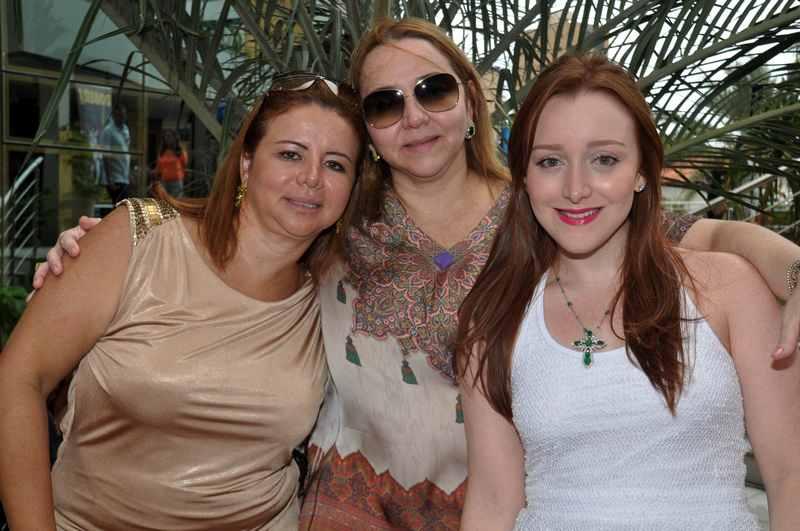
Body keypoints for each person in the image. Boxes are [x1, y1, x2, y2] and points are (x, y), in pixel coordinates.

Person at [32, 18, 800, 530]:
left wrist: (793, 268)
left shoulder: (545, 209)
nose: (415, 115)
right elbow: (230, 242)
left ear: (469, 101)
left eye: (433, 90)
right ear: (368, 132)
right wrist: (97, 251)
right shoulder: (337, 223)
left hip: (505, 506)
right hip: (350, 509)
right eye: (385, 103)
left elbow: (707, 237)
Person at [0, 75, 366, 531]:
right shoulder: (140, 239)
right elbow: (18, 378)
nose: (311, 178)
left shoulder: (335, 300)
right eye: (291, 154)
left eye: (335, 165)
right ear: (247, 163)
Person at [456, 54, 800, 530]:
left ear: (641, 170)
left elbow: (789, 473)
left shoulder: (728, 289)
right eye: (550, 161)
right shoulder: (494, 319)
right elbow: (493, 502)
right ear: (525, 177)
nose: (576, 188)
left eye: (605, 159)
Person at [99, 103, 132, 205]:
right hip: (115, 179)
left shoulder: (125, 129)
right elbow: (105, 155)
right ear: (114, 115)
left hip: (124, 177)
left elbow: (126, 152)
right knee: (119, 207)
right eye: (119, 115)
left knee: (124, 206)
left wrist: (129, 174)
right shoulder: (108, 131)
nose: (122, 117)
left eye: (124, 115)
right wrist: (110, 181)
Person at [153, 128, 189, 197]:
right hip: (164, 182)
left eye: (169, 136)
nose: (167, 138)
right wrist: (154, 174)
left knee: (176, 201)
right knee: (164, 202)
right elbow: (158, 167)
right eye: (165, 136)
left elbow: (185, 165)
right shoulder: (162, 152)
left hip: (176, 182)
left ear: (175, 138)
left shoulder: (180, 152)